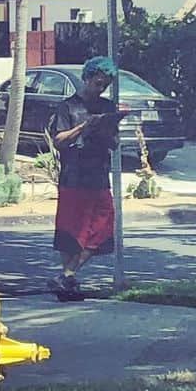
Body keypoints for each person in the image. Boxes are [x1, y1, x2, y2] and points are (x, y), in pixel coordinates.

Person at [46, 55, 120, 294]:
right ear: (87, 78)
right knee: (71, 232)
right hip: (74, 175)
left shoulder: (108, 107)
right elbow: (59, 141)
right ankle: (67, 282)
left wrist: (105, 130)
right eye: (98, 83)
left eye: (105, 85)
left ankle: (67, 275)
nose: (101, 89)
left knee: (103, 228)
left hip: (98, 175)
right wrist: (83, 127)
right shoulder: (68, 106)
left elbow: (115, 143)